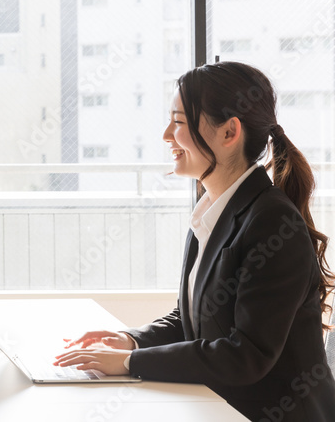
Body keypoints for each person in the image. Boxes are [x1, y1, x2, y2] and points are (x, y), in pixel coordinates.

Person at [56, 62, 335, 421]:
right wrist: (130, 340)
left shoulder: (271, 222)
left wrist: (130, 363)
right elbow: (194, 320)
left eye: (179, 122)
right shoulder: (211, 211)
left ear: (229, 132)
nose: (166, 135)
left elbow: (244, 355)